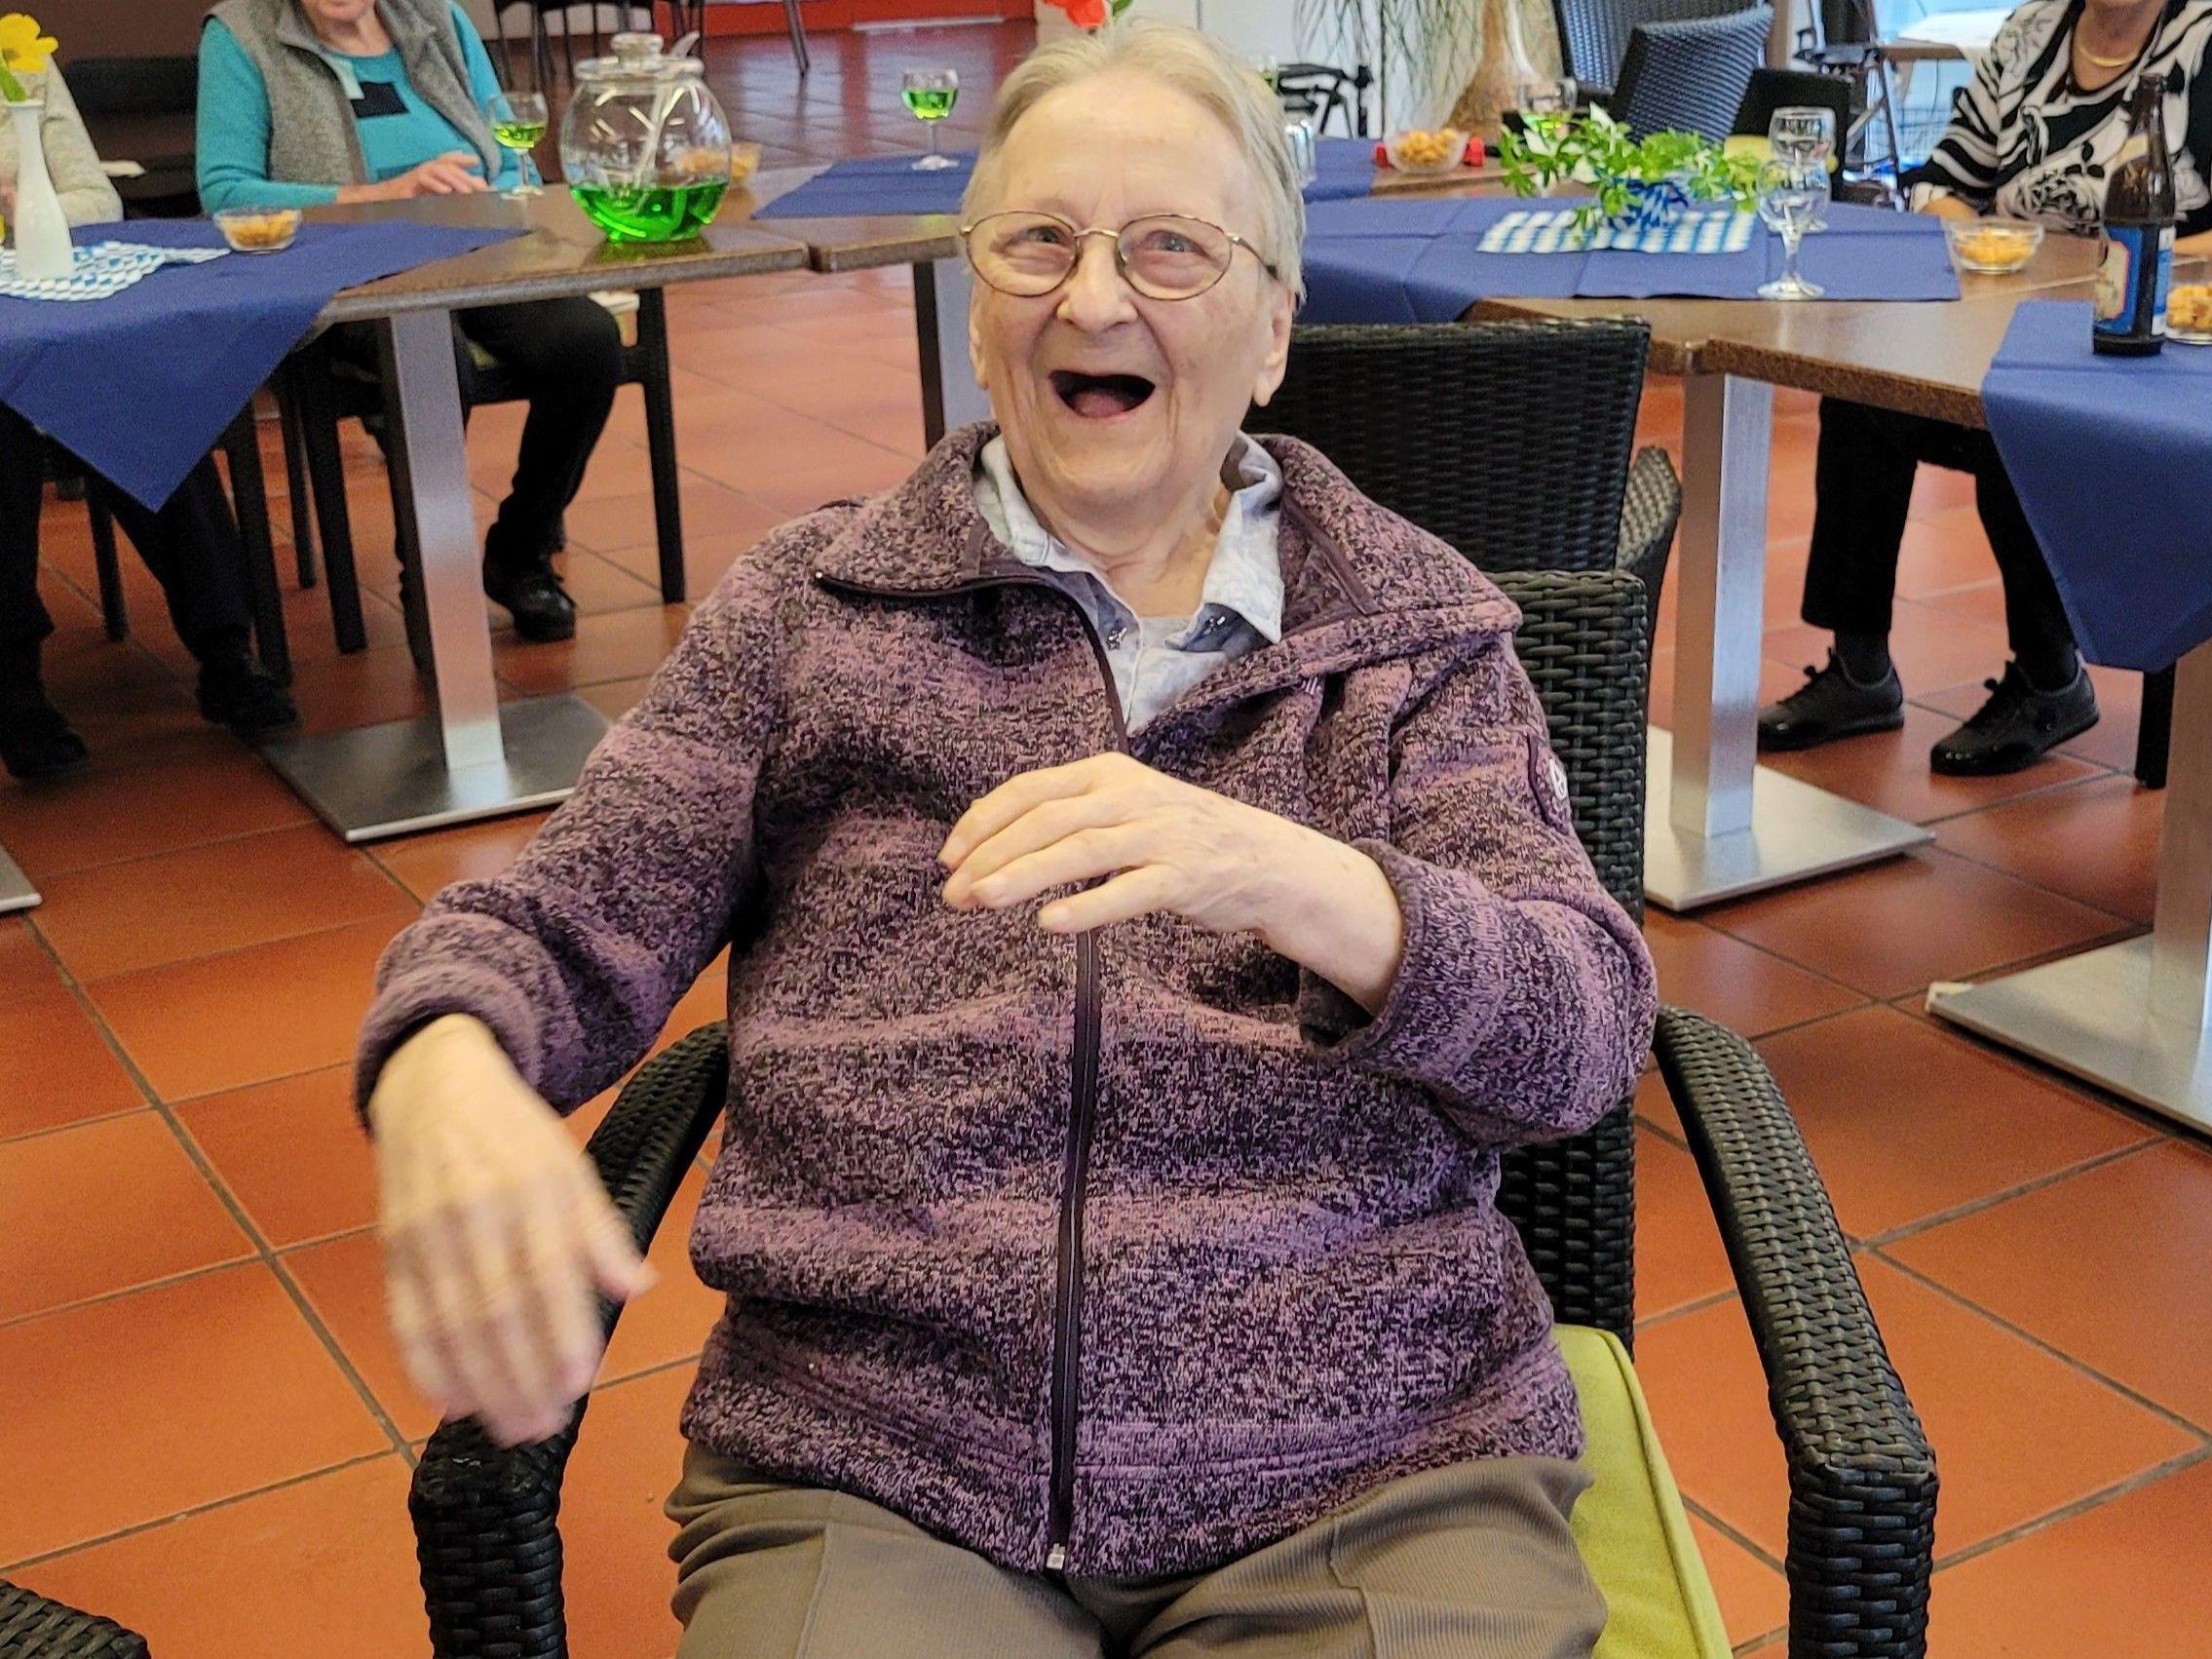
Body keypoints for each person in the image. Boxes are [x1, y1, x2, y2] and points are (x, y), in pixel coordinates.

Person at [356, 21, 1655, 1657]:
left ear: (1270, 330)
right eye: (1039, 241)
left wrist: (1298, 878)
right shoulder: (810, 611)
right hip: (882, 1461)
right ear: (978, 311)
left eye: (1170, 248)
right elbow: (558, 920)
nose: (1092, 300)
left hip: (1373, 1464)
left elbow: (1579, 1032)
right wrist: (445, 1064)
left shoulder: (1410, 636)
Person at [1760, 0, 2212, 774]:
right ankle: (1860, 669)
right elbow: (1944, 182)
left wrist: (2104, 263)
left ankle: (2051, 678)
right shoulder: (2030, 31)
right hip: (2007, 320)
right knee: (1867, 391)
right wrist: (1979, 240)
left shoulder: (2201, 41)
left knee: (2020, 422)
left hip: (2151, 347)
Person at [196, 0, 624, 643]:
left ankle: (521, 551)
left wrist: (500, 195)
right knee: (430, 359)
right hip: (348, 272)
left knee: (587, 341)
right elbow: (228, 193)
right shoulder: (240, 35)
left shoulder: (437, 18)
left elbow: (514, 156)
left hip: (473, 251)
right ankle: (430, 572)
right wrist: (382, 196)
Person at [1, 63, 294, 781]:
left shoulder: (17, 58)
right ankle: (13, 685)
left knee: (134, 383)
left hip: (43, 302)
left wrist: (26, 206)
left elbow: (95, 197)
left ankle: (225, 651)